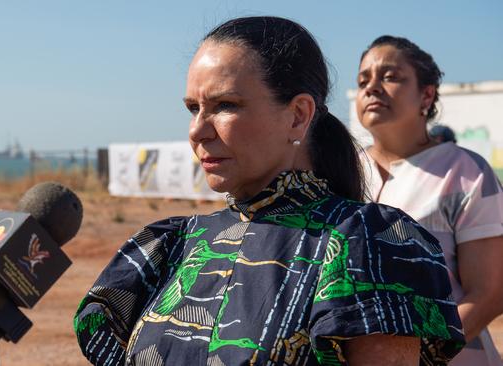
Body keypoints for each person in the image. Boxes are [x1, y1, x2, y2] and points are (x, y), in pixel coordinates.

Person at [75, 17, 464, 365]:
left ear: (298, 115)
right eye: (193, 108)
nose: (197, 130)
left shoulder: (365, 244)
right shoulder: (171, 245)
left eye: (225, 105)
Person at [355, 35, 503, 365]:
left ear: (426, 94)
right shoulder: (341, 173)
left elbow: (489, 294)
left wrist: (417, 358)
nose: (372, 87)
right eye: (363, 79)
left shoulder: (465, 172)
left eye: (390, 76)